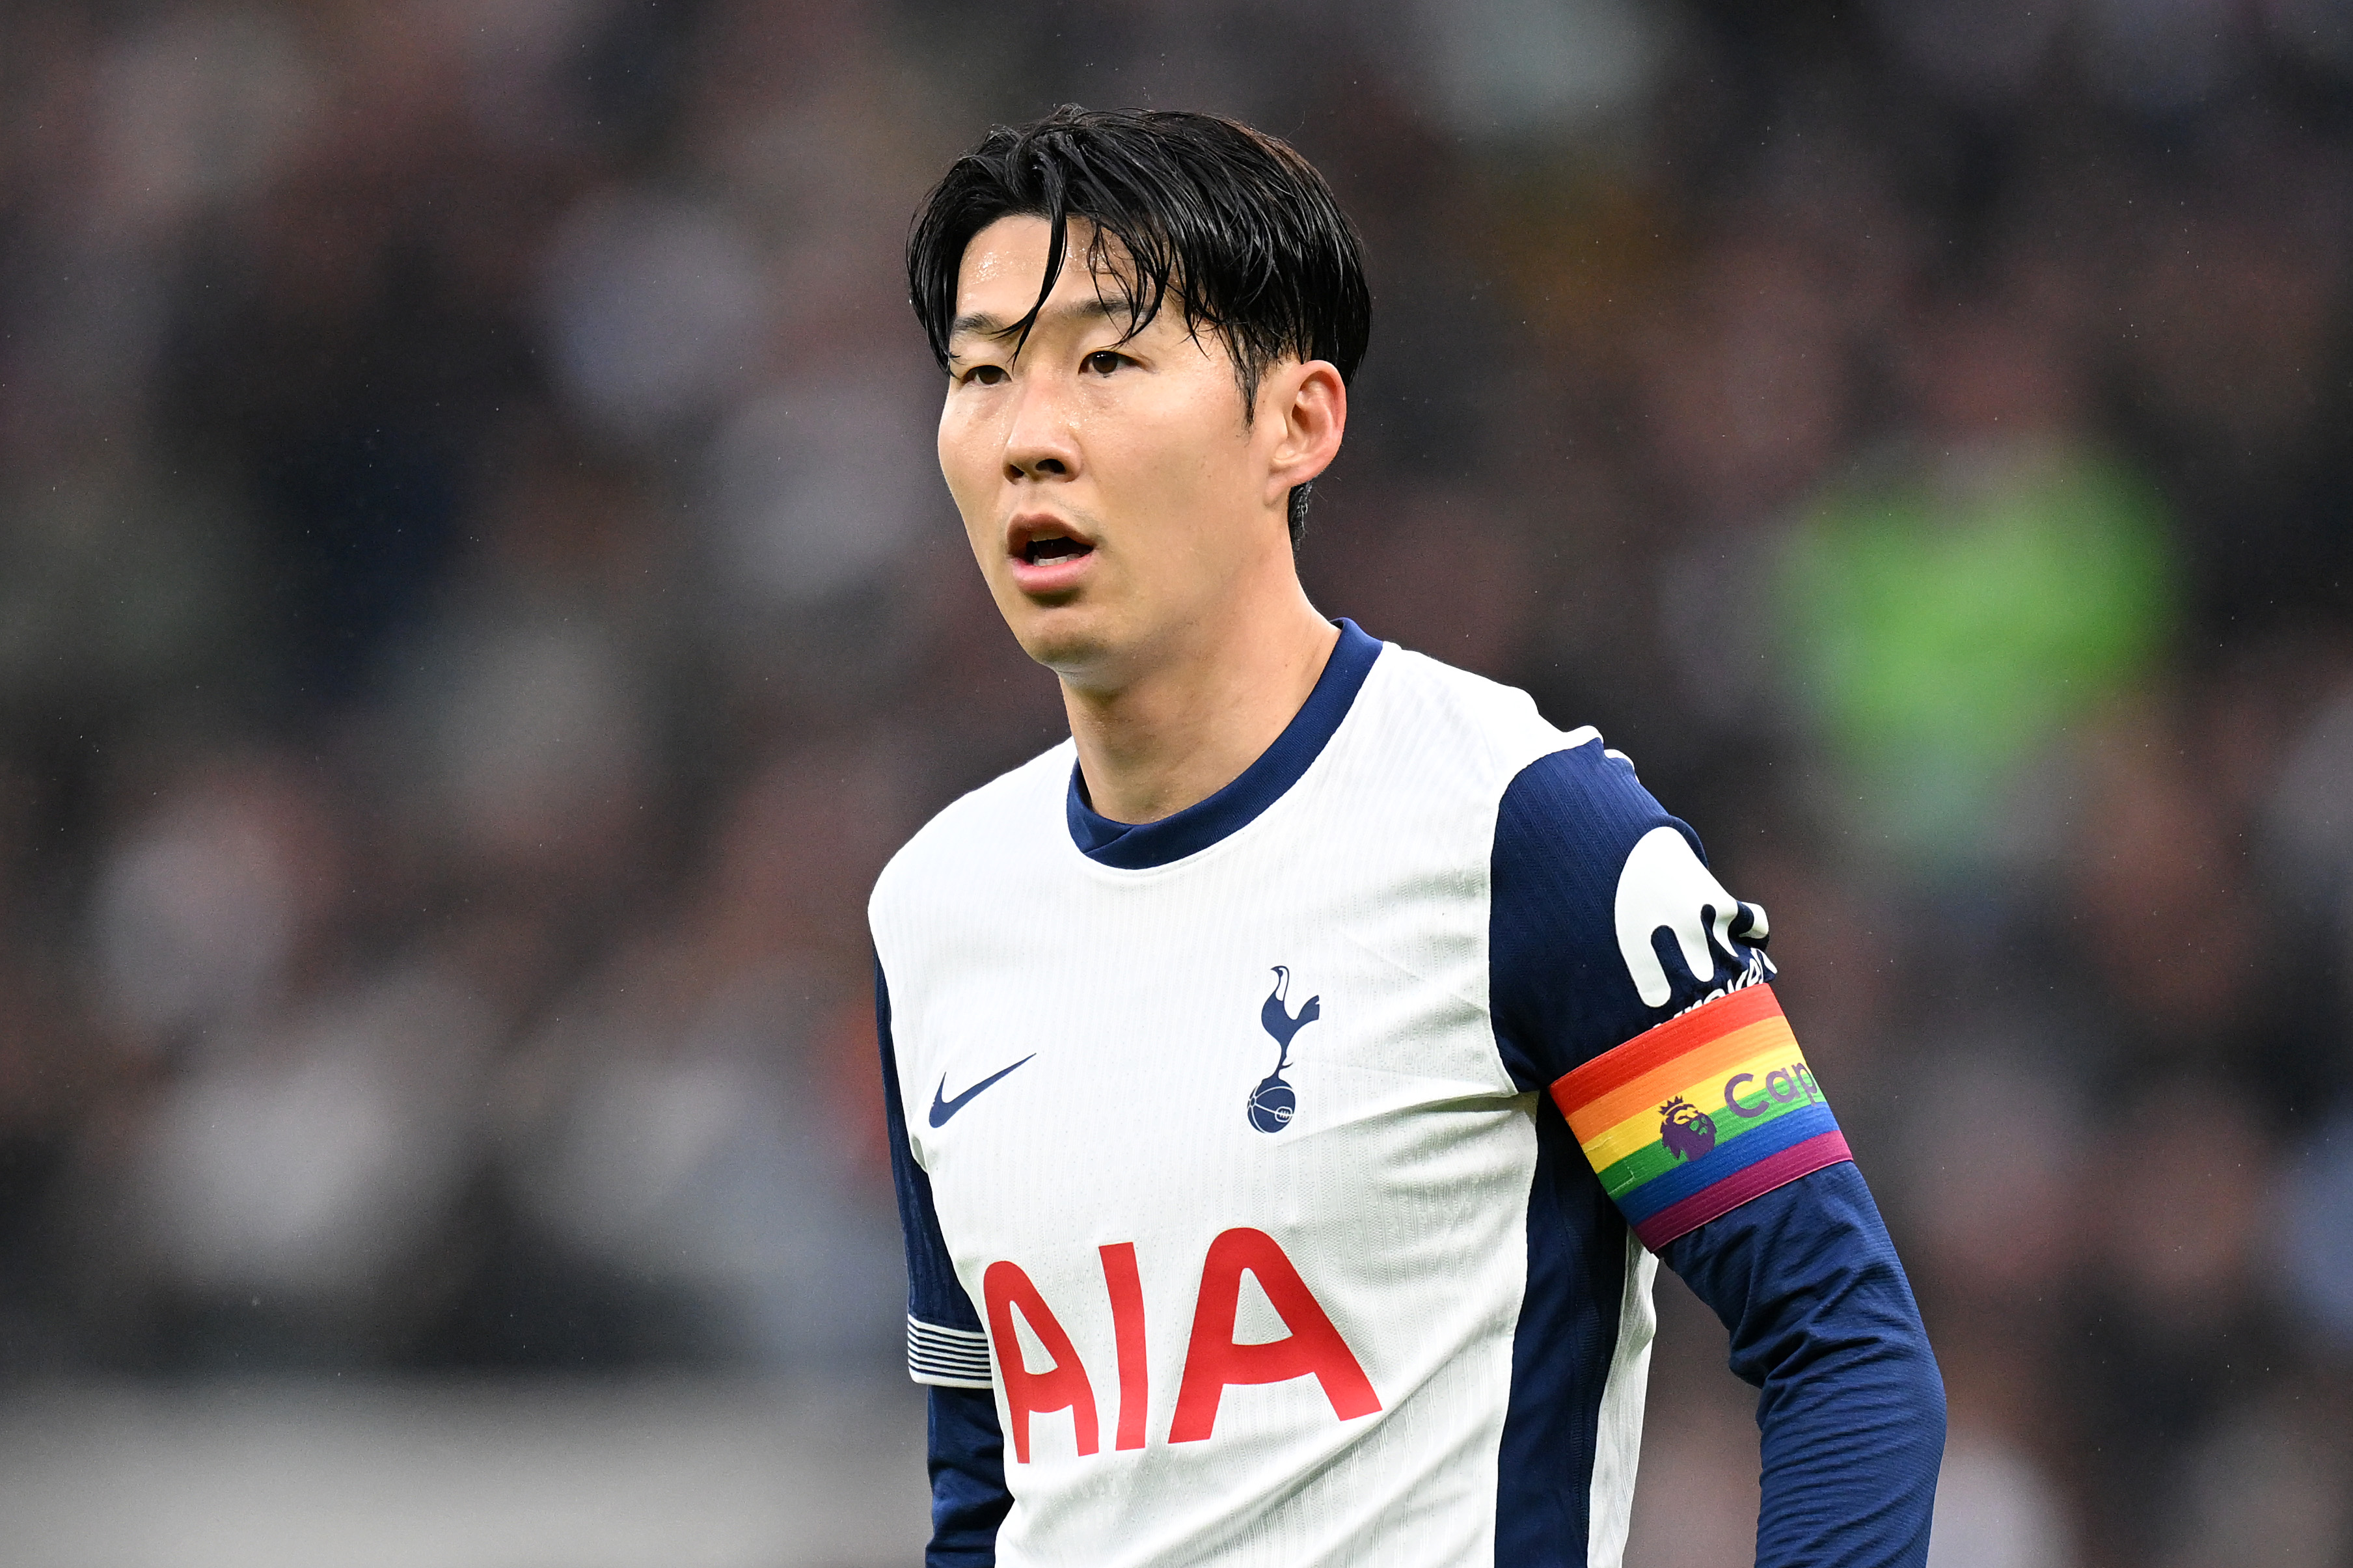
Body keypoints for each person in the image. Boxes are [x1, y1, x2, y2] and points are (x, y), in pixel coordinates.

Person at [871, 105, 1944, 1568]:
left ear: (1296, 422)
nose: (1028, 435)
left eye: (1106, 361)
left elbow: (1843, 1344)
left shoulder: (1527, 830)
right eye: (982, 371)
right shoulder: (934, 908)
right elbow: (982, 1492)